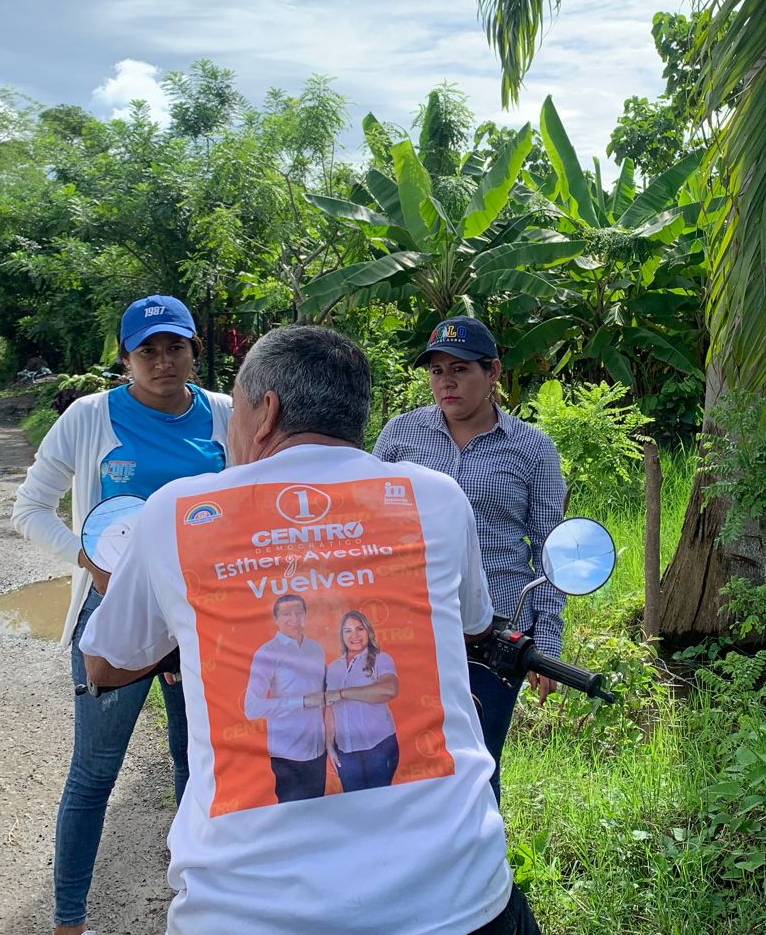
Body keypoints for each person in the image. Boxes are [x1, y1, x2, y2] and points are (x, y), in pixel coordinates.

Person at [78, 324, 540, 935]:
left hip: (245, 912)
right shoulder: (436, 496)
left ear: (265, 412)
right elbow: (474, 623)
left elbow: (104, 663)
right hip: (457, 897)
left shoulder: (177, 510)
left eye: (236, 409)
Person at [12, 294, 232, 935]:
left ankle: (199, 906)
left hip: (201, 622)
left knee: (199, 767)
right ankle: (68, 921)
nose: (163, 361)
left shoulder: (225, 414)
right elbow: (29, 509)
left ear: (194, 350)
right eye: (147, 350)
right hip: (112, 618)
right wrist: (90, 562)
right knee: (93, 774)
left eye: (176, 347)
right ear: (125, 358)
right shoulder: (89, 418)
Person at [371, 316, 565, 797]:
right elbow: (371, 529)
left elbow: (551, 550)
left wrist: (547, 641)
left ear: (492, 371)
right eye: (437, 371)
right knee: (404, 760)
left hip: (497, 631)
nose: (446, 382)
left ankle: (483, 846)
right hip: (410, 624)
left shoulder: (532, 449)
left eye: (460, 369)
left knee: (478, 762)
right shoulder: (400, 436)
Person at [242, 593, 327, 804]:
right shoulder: (267, 653)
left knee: (319, 811)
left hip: (318, 749)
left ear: (306, 616)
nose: (294, 619)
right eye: (287, 614)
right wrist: (301, 701)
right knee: (293, 816)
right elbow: (251, 707)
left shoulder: (316, 649)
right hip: (288, 753)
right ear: (276, 619)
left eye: (299, 612)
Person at [324, 609, 400, 792]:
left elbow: (389, 690)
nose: (355, 635)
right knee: (355, 804)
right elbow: (330, 709)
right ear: (342, 636)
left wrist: (342, 693)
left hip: (378, 747)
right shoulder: (333, 668)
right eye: (348, 631)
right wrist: (329, 746)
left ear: (368, 631)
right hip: (345, 751)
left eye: (359, 629)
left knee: (379, 801)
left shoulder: (381, 659)